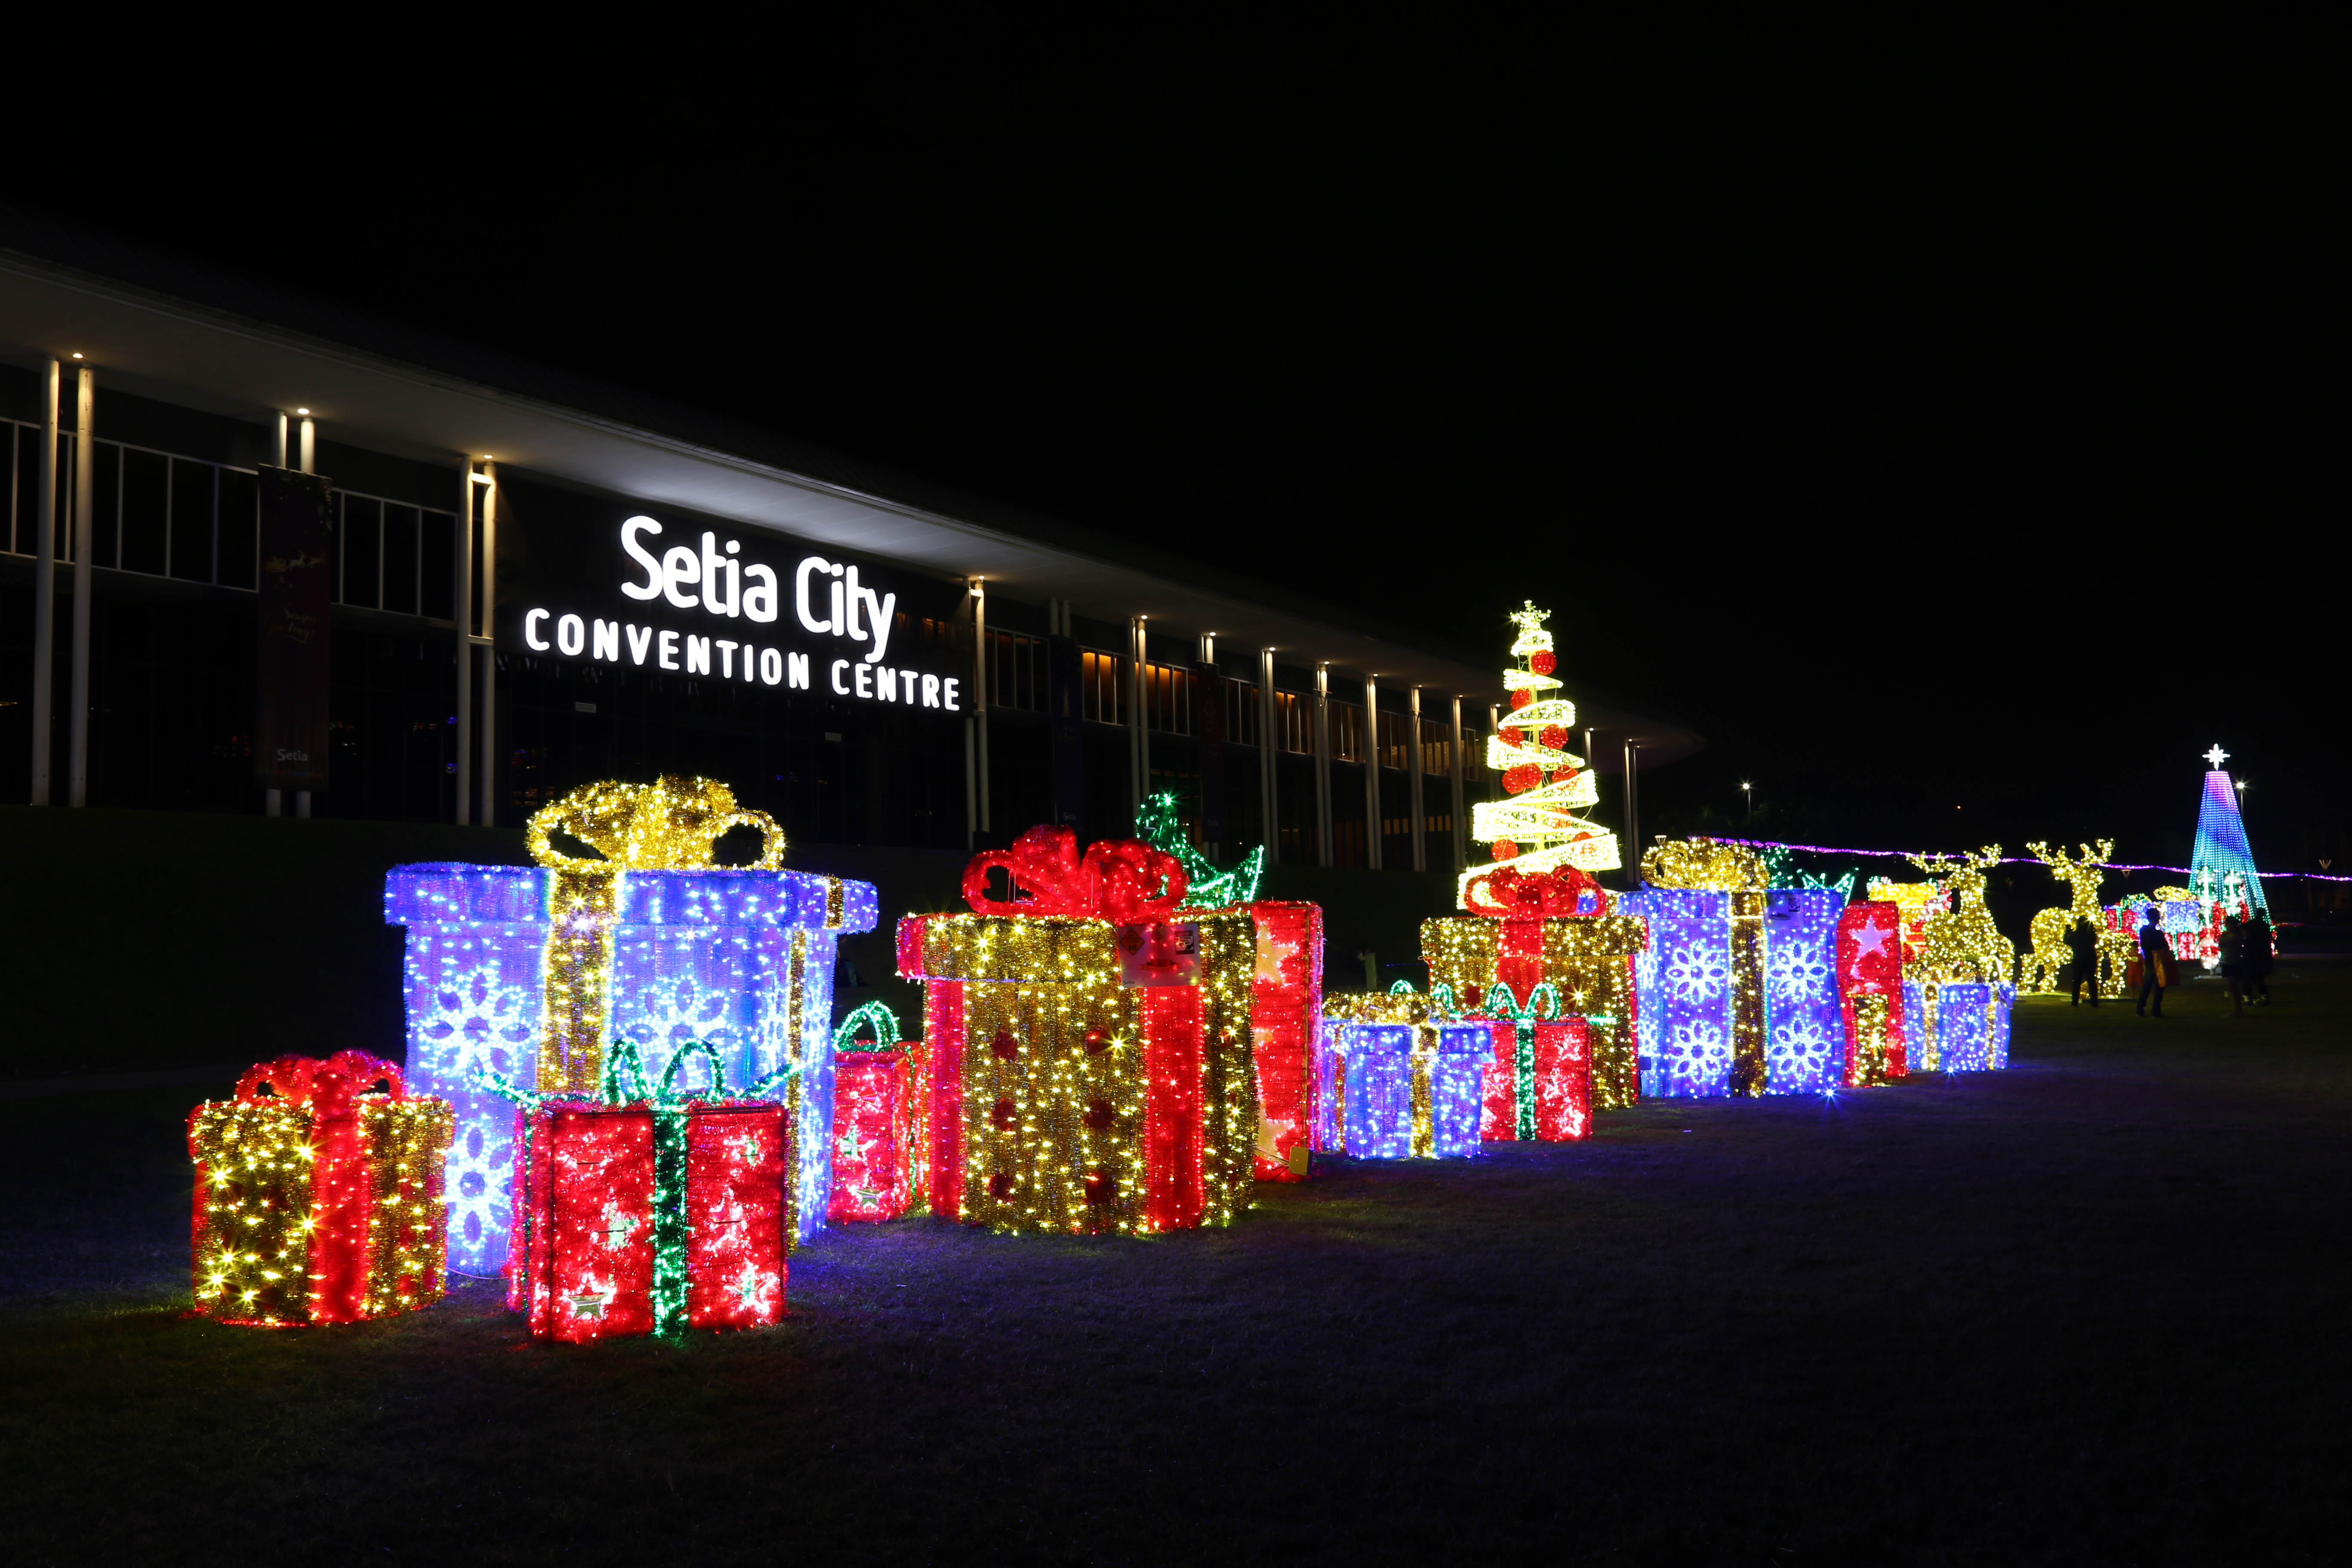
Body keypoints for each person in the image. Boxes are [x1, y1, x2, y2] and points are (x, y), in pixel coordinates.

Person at [2136, 905, 2172, 1017]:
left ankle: (2141, 1009)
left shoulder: (2145, 931)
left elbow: (2146, 946)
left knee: (2148, 986)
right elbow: (2164, 946)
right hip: (2157, 962)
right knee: (2159, 986)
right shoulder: (2156, 933)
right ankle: (2155, 1011)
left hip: (2152, 961)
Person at [2065, 916, 2101, 1006]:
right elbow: (2094, 942)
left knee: (2077, 981)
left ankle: (2075, 1002)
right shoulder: (2091, 934)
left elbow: (2067, 942)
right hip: (2090, 959)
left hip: (2078, 959)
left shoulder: (2075, 934)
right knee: (2091, 980)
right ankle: (2094, 1002)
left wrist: (2067, 933)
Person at [2219, 914, 2247, 1016]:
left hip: (2234, 963)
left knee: (2233, 987)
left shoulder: (2237, 936)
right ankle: (2237, 1010)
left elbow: (2227, 945)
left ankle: (2238, 1010)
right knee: (2232, 987)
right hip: (2226, 962)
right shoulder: (2226, 935)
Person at [2244, 914, 2275, 1005]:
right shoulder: (2264, 939)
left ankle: (2248, 998)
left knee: (2248, 979)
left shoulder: (2250, 940)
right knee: (2259, 979)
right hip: (2261, 959)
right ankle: (2264, 997)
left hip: (2252, 960)